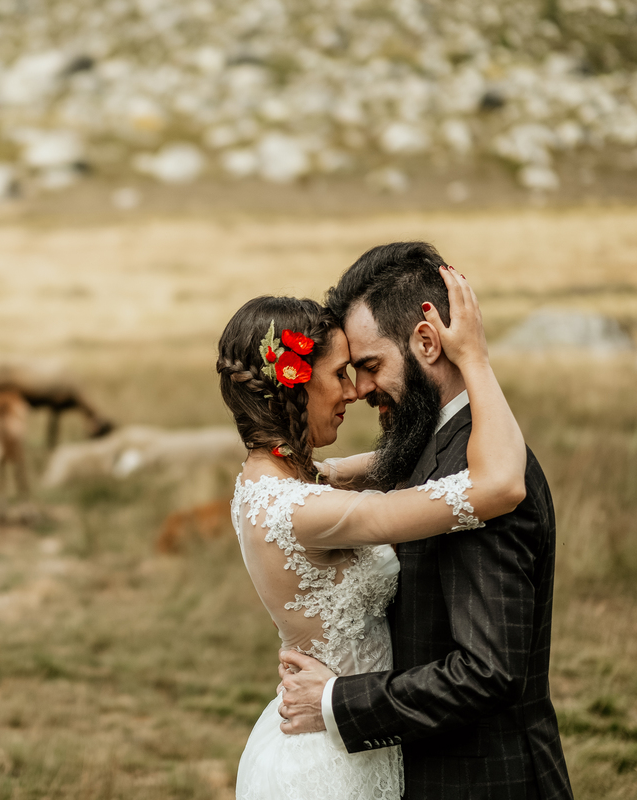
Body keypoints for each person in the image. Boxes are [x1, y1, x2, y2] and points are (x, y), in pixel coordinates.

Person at [218, 265, 529, 799]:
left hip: (354, 735)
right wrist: (474, 358)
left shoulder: (270, 484)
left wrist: (338, 469)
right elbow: (499, 485)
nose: (354, 391)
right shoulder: (304, 510)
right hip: (332, 760)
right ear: (293, 384)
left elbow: (380, 465)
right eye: (340, 374)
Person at [275, 243, 572, 799]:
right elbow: (401, 474)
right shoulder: (441, 444)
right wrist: (323, 474)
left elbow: (487, 672)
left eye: (371, 366)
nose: (361, 390)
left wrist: (336, 701)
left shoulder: (478, 475)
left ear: (428, 343)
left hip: (483, 783)